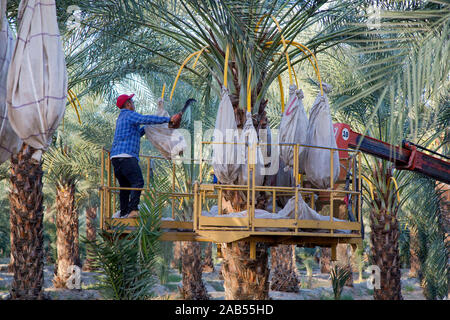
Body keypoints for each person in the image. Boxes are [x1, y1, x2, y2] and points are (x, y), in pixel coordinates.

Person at [110, 93, 181, 218]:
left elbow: (138, 133)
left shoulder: (121, 118)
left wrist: (149, 128)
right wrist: (167, 119)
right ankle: (132, 210)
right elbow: (145, 119)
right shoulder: (129, 114)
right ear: (128, 104)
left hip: (116, 158)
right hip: (126, 156)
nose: (133, 104)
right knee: (138, 182)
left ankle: (124, 212)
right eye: (132, 102)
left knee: (125, 187)